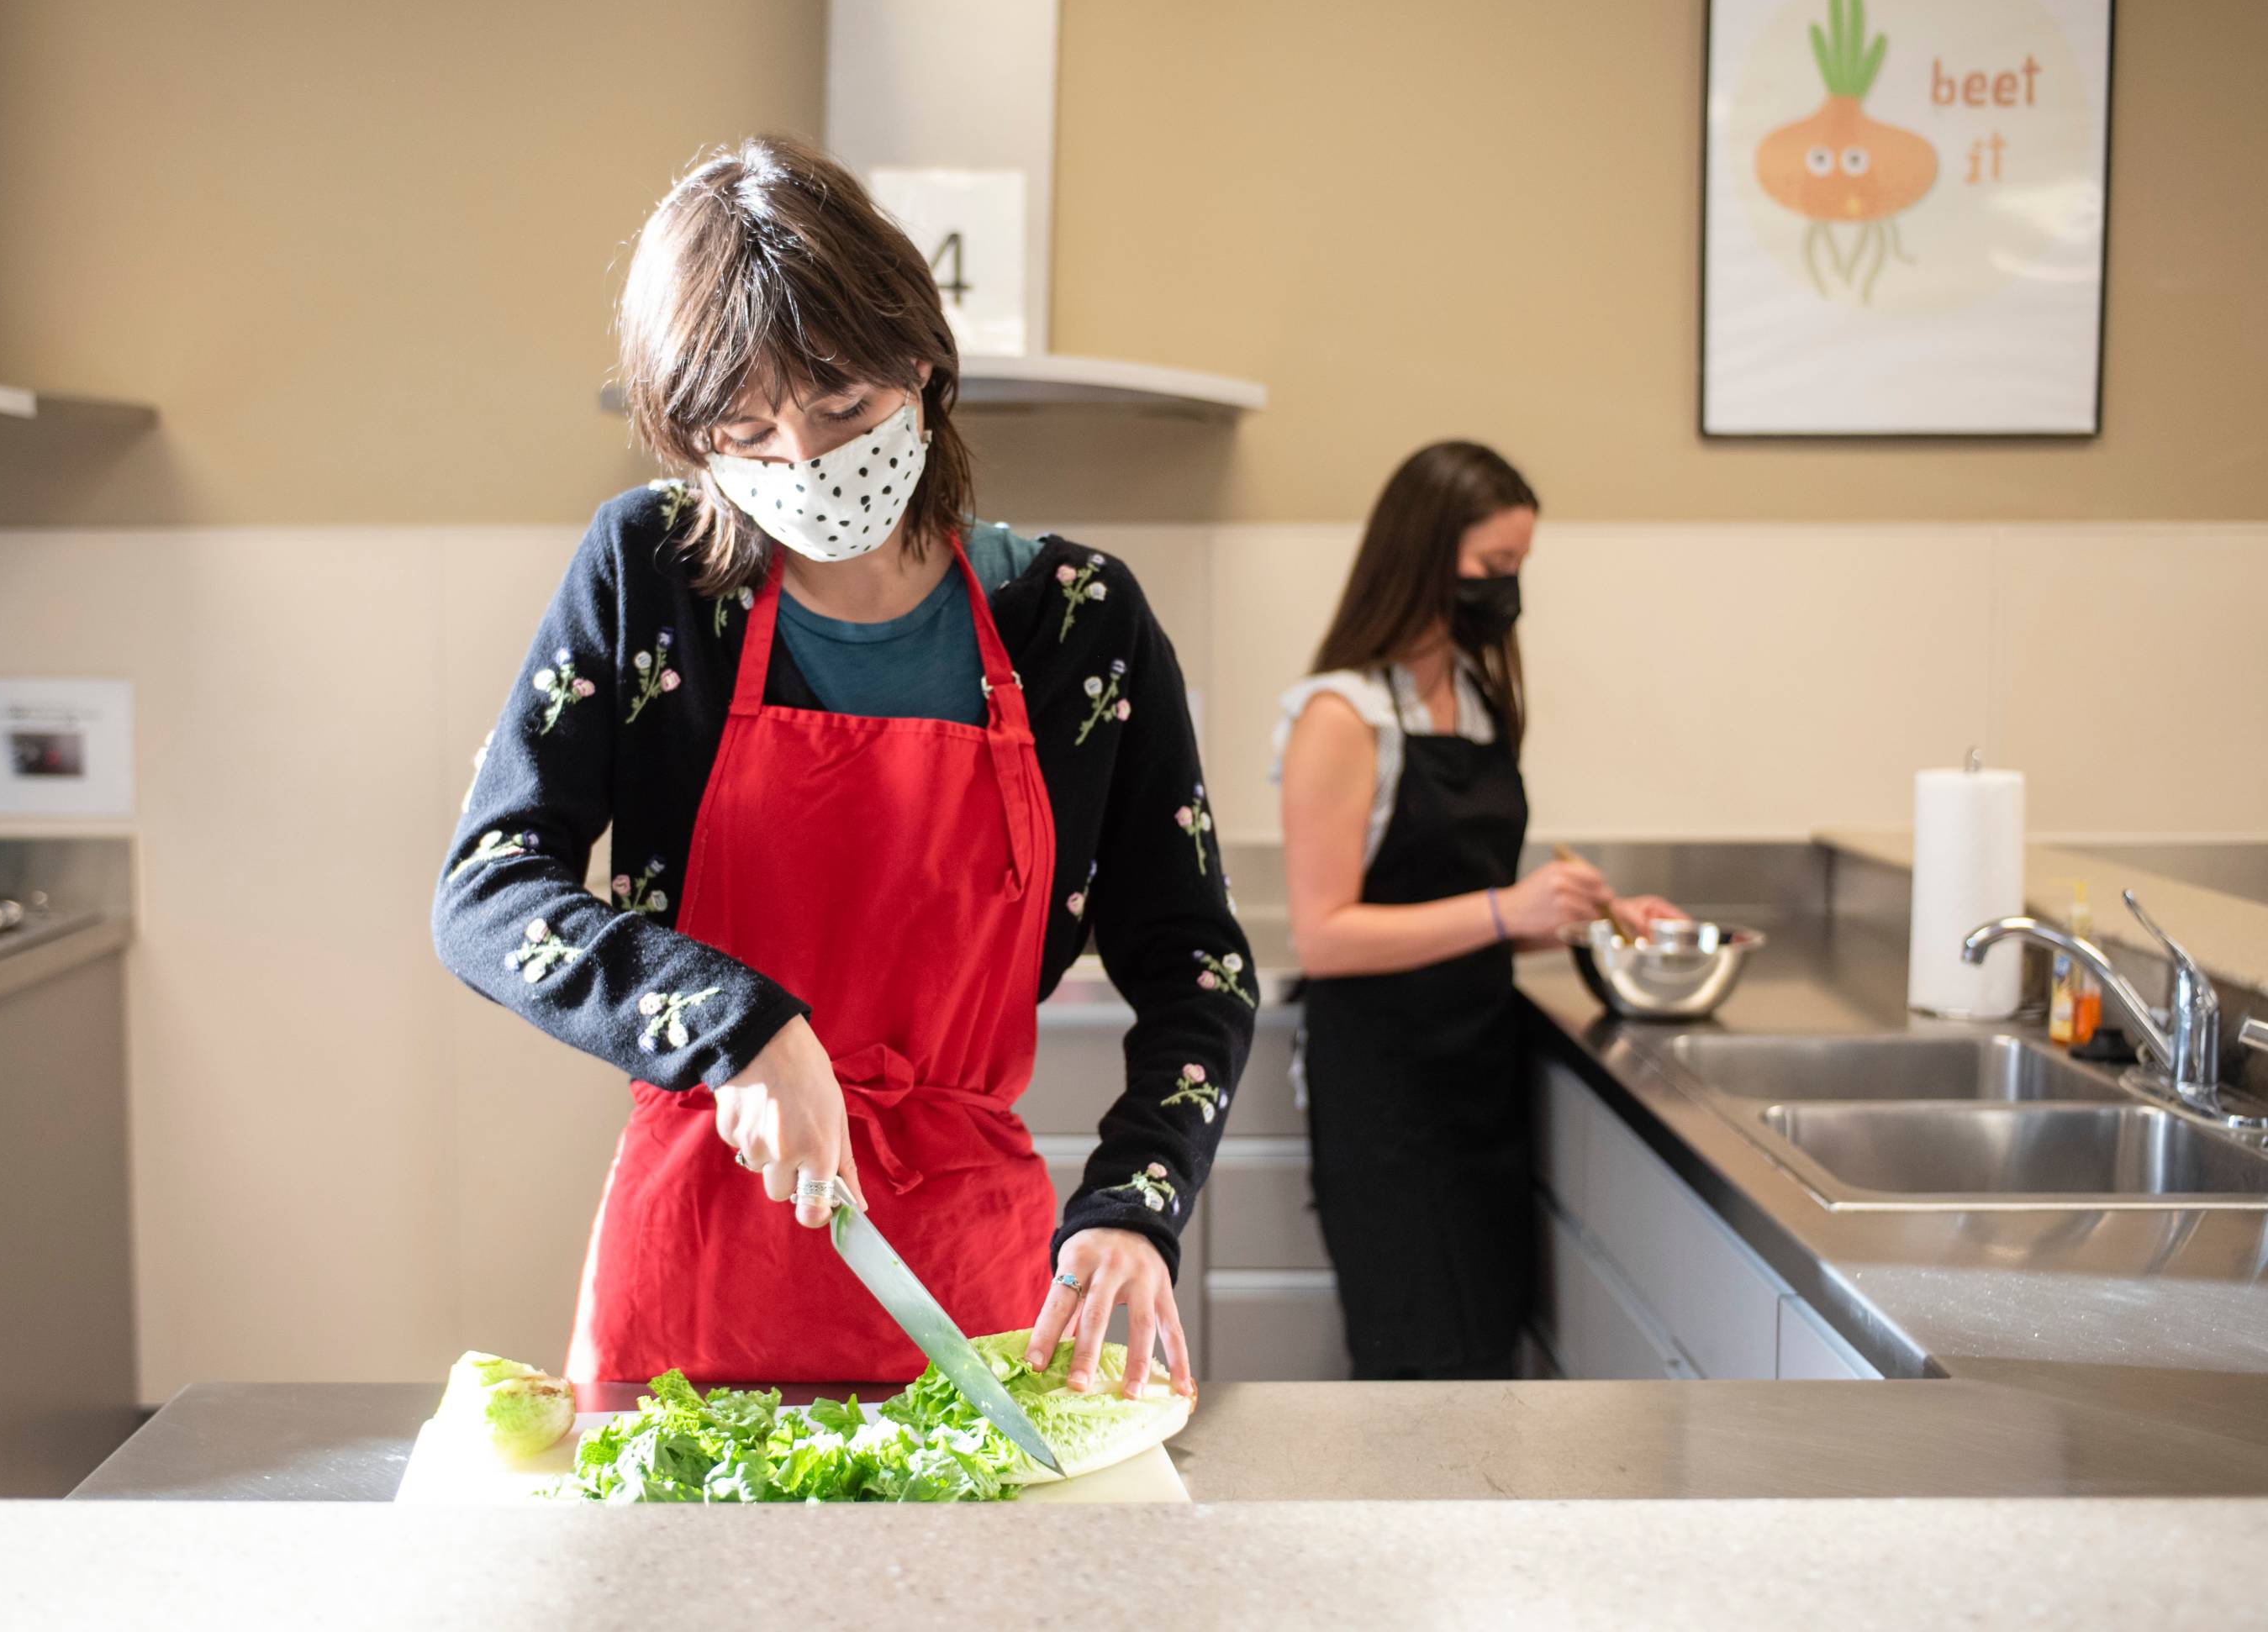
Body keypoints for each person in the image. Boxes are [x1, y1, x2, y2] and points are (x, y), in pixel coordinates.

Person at [431, 135, 1254, 1398]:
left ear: (920, 363)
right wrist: (739, 1029)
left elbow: (1196, 966)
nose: (805, 467)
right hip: (699, 1264)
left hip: (971, 1291)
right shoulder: (648, 573)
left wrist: (1137, 1200)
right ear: (689, 443)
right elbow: (489, 889)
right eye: (746, 433)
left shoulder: (1081, 623)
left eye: (842, 411)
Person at [1274, 440, 1680, 1379]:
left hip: (1477, 1077)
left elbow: (1463, 897)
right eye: (1493, 570)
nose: (1508, 594)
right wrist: (1506, 909)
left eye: (1517, 571)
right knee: (1417, 1364)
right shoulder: (1339, 718)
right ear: (1421, 557)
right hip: (1384, 1096)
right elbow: (1324, 937)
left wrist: (1588, 915)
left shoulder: (1476, 700)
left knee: (1483, 1357)